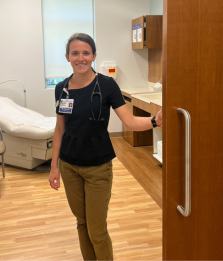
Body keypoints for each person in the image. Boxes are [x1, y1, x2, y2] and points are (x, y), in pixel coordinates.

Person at [48, 33, 162, 261]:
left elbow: (129, 121)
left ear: (94, 56)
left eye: (86, 53)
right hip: (69, 166)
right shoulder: (61, 88)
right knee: (81, 223)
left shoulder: (107, 85)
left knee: (97, 231)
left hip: (98, 168)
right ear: (67, 57)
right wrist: (54, 167)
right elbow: (60, 128)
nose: (81, 58)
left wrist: (154, 121)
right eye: (75, 53)